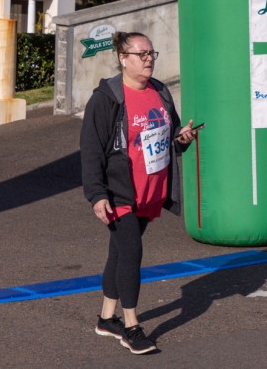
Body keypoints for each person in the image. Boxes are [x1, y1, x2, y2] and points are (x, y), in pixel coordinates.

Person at [80, 31, 199, 355]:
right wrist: (97, 194)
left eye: (151, 54)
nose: (149, 60)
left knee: (119, 253)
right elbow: (91, 150)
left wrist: (183, 137)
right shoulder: (106, 99)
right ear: (123, 59)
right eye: (141, 54)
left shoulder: (160, 91)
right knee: (131, 252)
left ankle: (106, 319)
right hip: (119, 192)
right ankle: (131, 327)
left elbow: (169, 134)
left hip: (150, 191)